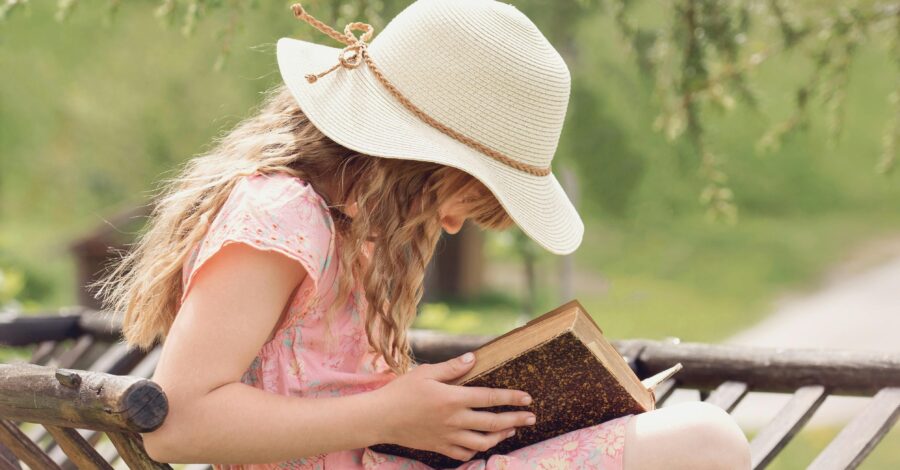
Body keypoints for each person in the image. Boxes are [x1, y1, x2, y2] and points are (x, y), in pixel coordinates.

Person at [93, 0, 751, 468]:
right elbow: (176, 424)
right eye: (468, 193)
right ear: (418, 158)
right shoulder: (280, 214)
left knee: (690, 436)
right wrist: (390, 414)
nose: (456, 222)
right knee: (706, 443)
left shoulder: (359, 228)